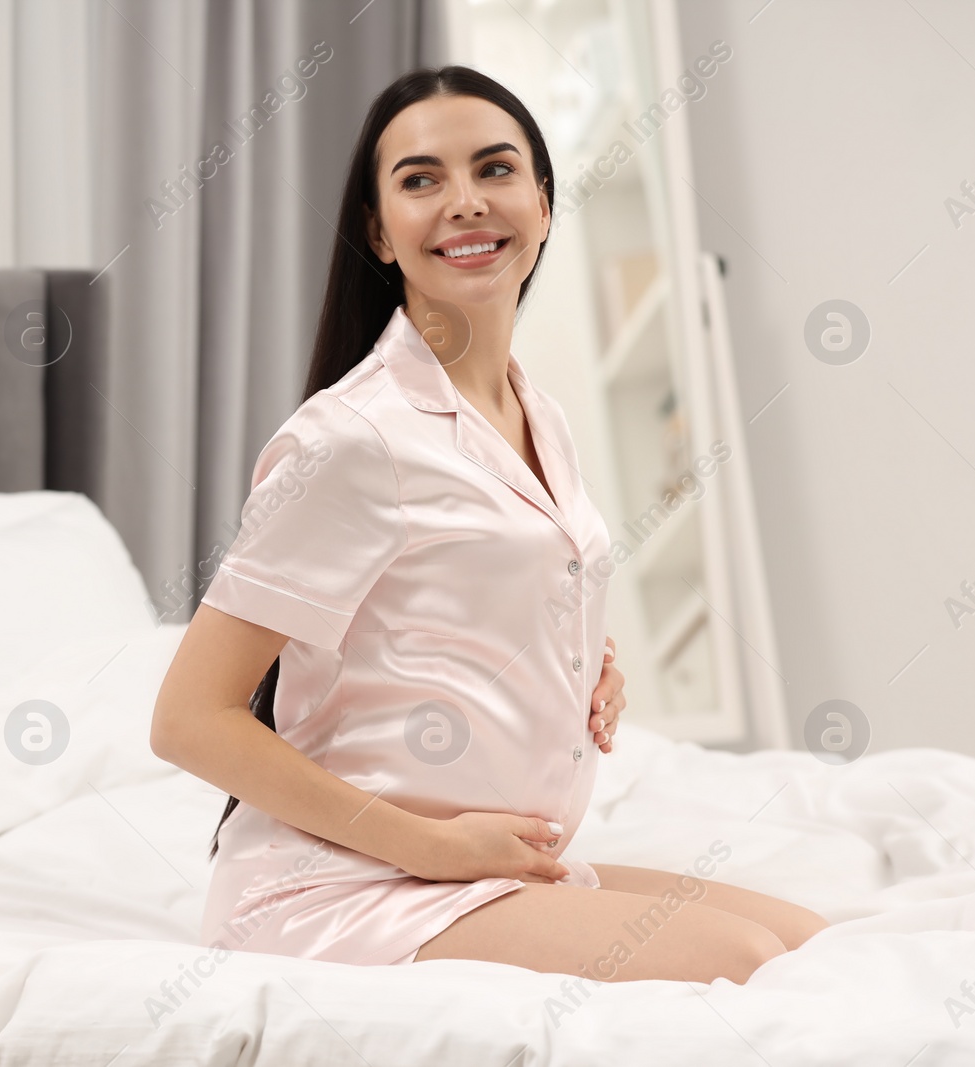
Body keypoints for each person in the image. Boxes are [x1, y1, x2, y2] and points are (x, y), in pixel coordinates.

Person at [149, 65, 826, 984]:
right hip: (342, 886)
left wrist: (587, 660)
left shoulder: (536, 413)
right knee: (745, 964)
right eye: (421, 180)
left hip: (488, 863)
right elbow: (190, 718)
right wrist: (429, 845)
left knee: (813, 942)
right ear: (379, 232)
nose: (464, 201)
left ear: (543, 206)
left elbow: (450, 595)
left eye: (495, 169)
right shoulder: (351, 440)